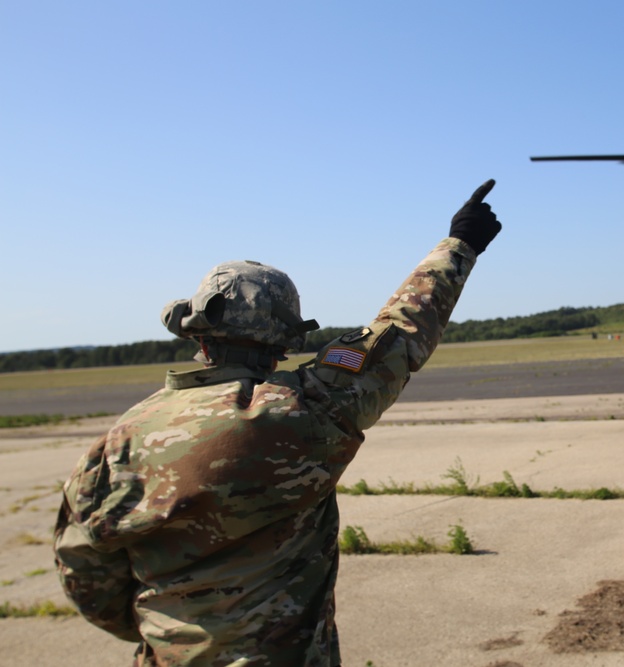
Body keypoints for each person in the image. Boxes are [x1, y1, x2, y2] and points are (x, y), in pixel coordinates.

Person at [53, 180, 502, 666]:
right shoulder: (302, 410)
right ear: (283, 344)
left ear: (198, 338)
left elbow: (84, 572)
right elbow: (399, 330)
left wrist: (167, 631)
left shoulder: (118, 441)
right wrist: (460, 244)